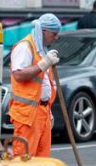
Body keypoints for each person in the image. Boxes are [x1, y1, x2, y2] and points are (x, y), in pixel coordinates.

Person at [10, 13, 61, 157]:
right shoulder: (25, 47)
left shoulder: (41, 49)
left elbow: (43, 83)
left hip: (42, 112)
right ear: (44, 31)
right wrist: (44, 64)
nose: (56, 37)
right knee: (24, 159)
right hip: (27, 115)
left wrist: (48, 110)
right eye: (54, 33)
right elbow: (18, 75)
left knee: (42, 160)